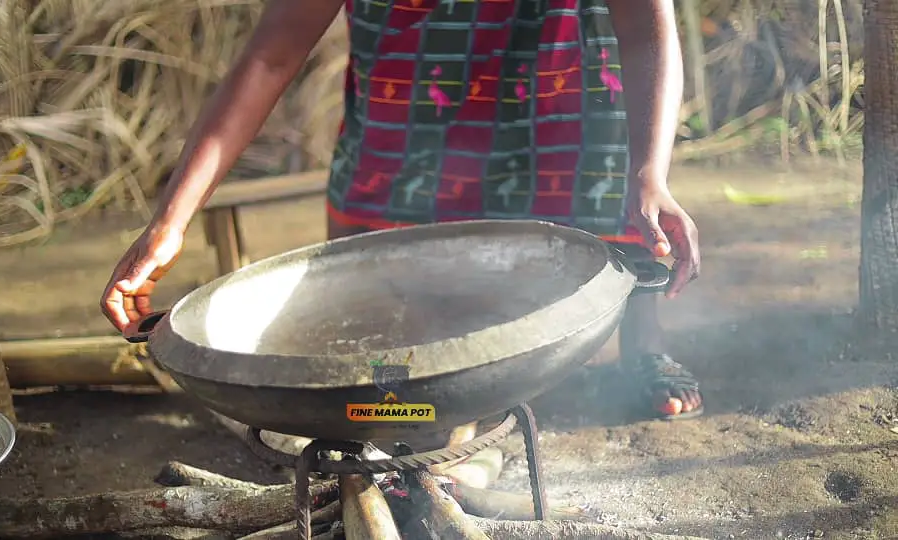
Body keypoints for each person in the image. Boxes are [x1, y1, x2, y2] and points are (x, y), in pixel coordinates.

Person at [100, 0, 703, 422]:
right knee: (384, 309)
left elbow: (645, 29)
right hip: (410, 105)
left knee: (616, 212)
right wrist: (169, 223)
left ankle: (642, 345)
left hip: (558, 89)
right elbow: (270, 57)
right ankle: (396, 412)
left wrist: (653, 170)